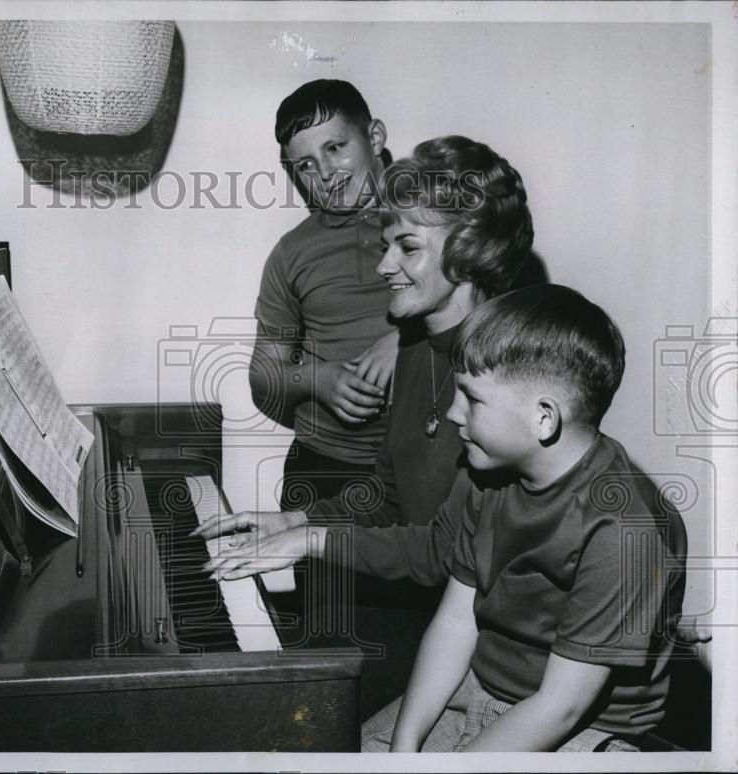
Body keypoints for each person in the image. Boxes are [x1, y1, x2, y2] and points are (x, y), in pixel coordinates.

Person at [199, 135, 534, 713]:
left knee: (301, 712)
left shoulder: (510, 371)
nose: (385, 266)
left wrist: (308, 541)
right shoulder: (414, 351)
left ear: (469, 251)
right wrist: (291, 517)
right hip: (424, 604)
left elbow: (446, 551)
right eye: (387, 245)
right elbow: (386, 499)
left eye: (407, 247)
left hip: (493, 649)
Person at [367, 285, 687, 752]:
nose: (455, 414)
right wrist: (406, 744)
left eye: (472, 399)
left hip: (582, 729)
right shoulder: (488, 473)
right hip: (480, 689)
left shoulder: (624, 530)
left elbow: (562, 707)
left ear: (544, 418)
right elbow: (458, 620)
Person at [251, 79, 402, 512]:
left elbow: (496, 310)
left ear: (374, 137)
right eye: (305, 165)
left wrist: (404, 341)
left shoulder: (429, 217)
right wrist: (318, 379)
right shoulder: (291, 252)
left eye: (335, 148)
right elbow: (263, 373)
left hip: (424, 465)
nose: (325, 173)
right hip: (324, 467)